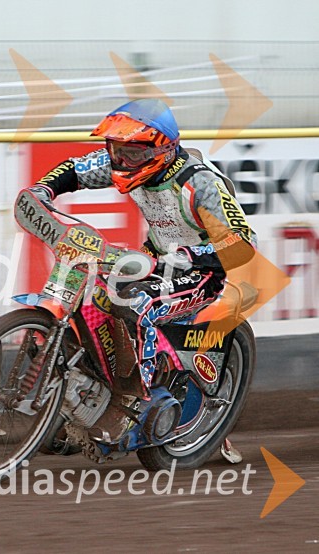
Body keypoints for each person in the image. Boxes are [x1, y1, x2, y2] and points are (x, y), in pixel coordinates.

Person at [24, 99, 256, 458]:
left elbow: (242, 243)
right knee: (92, 294)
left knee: (135, 301)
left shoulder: (200, 184)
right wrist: (43, 190)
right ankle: (84, 397)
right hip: (156, 257)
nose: (121, 162)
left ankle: (135, 403)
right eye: (116, 151)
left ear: (162, 149)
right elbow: (76, 169)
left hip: (202, 270)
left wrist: (186, 256)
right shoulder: (128, 161)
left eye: (131, 154)